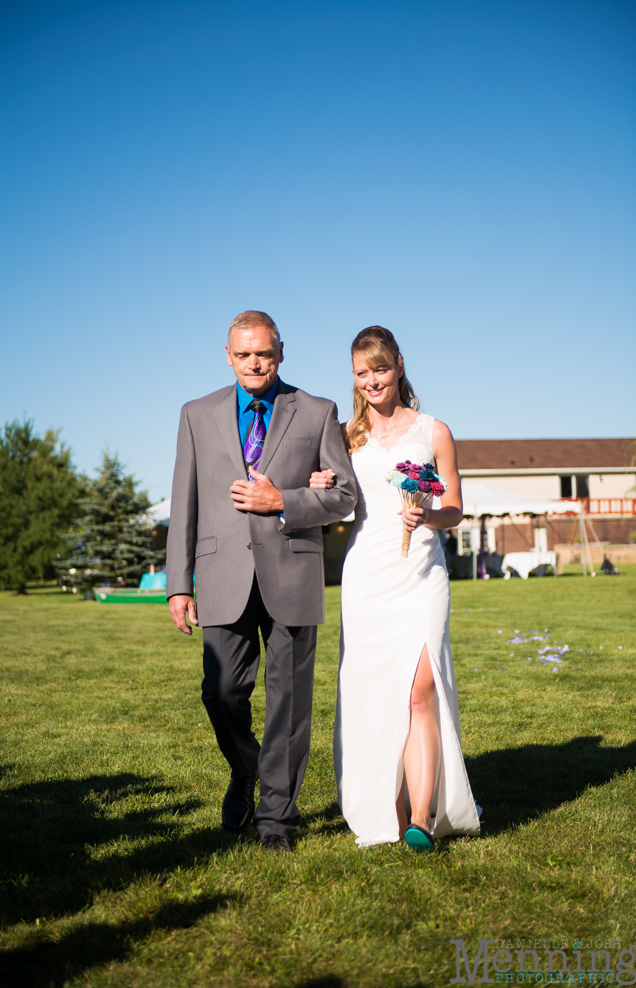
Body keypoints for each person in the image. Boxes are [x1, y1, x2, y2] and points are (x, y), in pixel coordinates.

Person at [166, 311, 357, 853]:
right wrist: (179, 582)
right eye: (243, 353)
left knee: (289, 703)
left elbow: (344, 496)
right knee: (222, 690)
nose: (254, 362)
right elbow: (185, 501)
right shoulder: (196, 414)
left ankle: (278, 816)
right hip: (222, 573)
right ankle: (247, 769)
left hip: (292, 569)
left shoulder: (318, 412)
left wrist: (285, 502)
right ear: (227, 355)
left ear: (281, 352)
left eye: (264, 353)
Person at [312, 326, 480, 850]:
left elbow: (454, 508)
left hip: (422, 572)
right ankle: (389, 803)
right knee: (376, 694)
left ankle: (423, 818)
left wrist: (428, 515)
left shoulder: (435, 431)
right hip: (366, 574)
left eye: (380, 369)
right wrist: (319, 486)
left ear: (399, 366)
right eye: (362, 373)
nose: (371, 381)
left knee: (421, 690)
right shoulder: (344, 436)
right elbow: (337, 500)